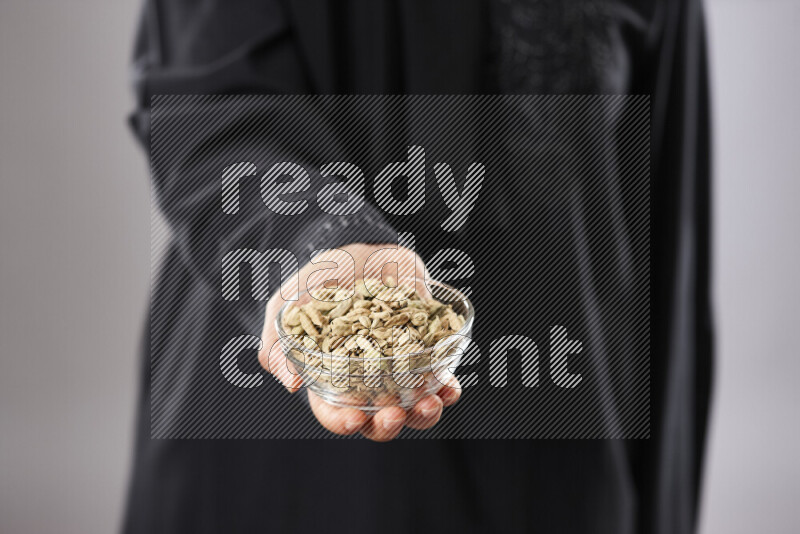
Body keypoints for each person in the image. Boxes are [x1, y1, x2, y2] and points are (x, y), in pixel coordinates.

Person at [125, 1, 712, 532]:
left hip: (553, 465)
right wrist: (324, 244)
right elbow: (209, 106)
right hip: (270, 463)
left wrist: (662, 509)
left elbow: (663, 231)